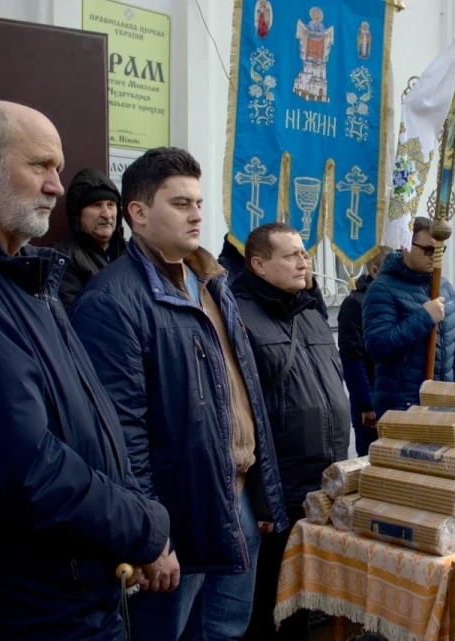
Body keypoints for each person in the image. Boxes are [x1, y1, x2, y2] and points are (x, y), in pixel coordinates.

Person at [0, 100, 175, 640]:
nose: (56, 186)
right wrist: (143, 526)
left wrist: (130, 522)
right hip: (27, 612)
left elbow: (89, 424)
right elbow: (23, 468)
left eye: (58, 168)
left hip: (75, 594)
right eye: (40, 165)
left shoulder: (21, 281)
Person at [70, 147, 288, 640]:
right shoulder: (111, 301)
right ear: (139, 213)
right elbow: (121, 437)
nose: (196, 214)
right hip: (176, 513)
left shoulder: (211, 281)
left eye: (198, 202)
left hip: (236, 498)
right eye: (180, 203)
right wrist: (150, 534)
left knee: (226, 630)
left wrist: (265, 496)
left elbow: (244, 393)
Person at [231, 222, 350, 641]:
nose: (305, 261)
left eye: (304, 252)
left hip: (323, 481)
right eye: (292, 255)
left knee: (306, 595)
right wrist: (264, 498)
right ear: (259, 265)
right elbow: (245, 416)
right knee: (272, 600)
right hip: (278, 490)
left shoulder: (310, 311)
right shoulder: (239, 318)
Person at [363, 217, 455, 417]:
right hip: (404, 404)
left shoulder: (444, 287)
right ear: (405, 245)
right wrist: (425, 317)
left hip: (444, 400)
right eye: (428, 250)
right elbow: (378, 345)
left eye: (439, 250)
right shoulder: (382, 288)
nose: (435, 257)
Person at [338, 246, 388, 455]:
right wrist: (367, 404)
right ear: (375, 272)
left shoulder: (389, 301)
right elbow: (353, 359)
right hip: (370, 403)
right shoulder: (354, 304)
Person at [55, 168, 127, 310]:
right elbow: (76, 315)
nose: (106, 214)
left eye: (111, 205)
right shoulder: (63, 259)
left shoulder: (131, 252)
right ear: (78, 214)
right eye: (97, 205)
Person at [219, 232, 329, 318]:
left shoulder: (293, 289)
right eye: (290, 255)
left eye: (302, 254)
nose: (303, 264)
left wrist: (310, 287)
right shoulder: (226, 274)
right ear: (259, 264)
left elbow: (321, 327)